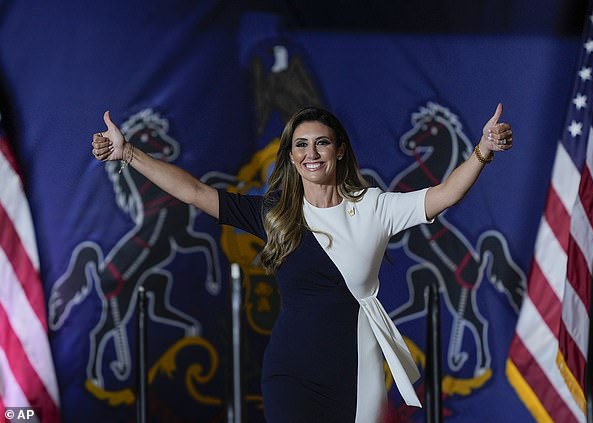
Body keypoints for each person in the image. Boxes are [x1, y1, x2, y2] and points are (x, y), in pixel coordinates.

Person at [92, 105, 513, 422]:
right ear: (292, 157)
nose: (312, 153)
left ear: (340, 149)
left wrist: (483, 150)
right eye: (301, 145)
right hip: (289, 371)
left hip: (356, 370)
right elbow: (195, 192)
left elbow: (446, 194)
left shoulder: (374, 207)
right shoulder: (276, 214)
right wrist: (128, 153)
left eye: (322, 142)